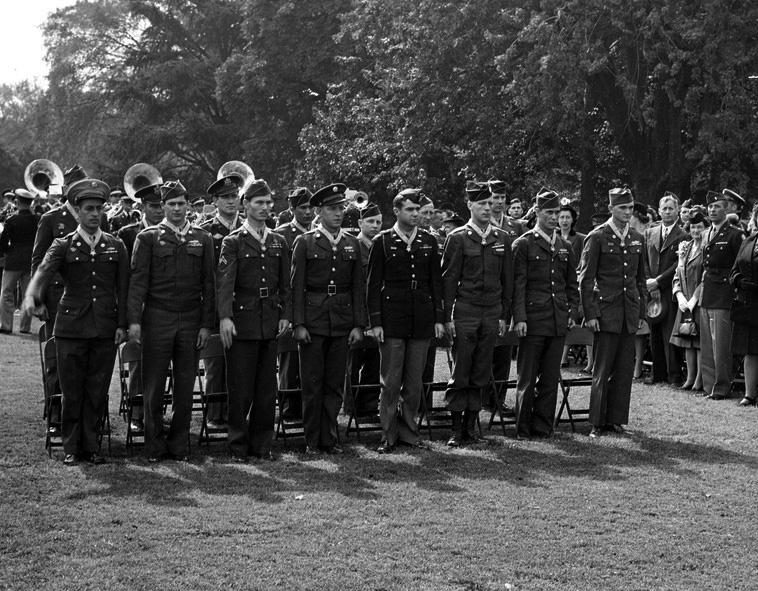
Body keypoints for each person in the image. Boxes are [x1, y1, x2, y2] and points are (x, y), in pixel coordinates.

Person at [23, 179, 129, 464]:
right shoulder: (64, 244)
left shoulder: (116, 245)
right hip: (70, 328)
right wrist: (33, 295)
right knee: (71, 390)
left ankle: (91, 447)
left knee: (96, 391)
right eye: (89, 209)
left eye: (99, 209)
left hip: (105, 328)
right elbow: (43, 271)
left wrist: (122, 324)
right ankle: (71, 448)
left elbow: (124, 288)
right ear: (77, 212)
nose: (95, 214)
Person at [127, 180, 215, 462]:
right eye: (171, 204)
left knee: (185, 386)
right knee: (153, 385)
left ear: (188, 205)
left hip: (190, 319)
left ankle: (179, 446)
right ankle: (154, 446)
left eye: (181, 204)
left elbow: (209, 286)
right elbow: (137, 283)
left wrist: (205, 324)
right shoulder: (149, 238)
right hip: (156, 318)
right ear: (162, 206)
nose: (177, 209)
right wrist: (134, 321)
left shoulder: (203, 239)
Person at [217, 179, 291, 461]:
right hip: (242, 321)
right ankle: (238, 446)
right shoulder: (233, 241)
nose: (264, 208)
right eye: (258, 203)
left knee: (265, 390)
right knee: (240, 389)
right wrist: (225, 317)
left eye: (268, 203)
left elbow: (286, 285)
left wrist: (286, 315)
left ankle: (262, 446)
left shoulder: (278, 241)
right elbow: (225, 283)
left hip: (269, 321)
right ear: (245, 205)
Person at [291, 183, 367, 455]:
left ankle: (329, 438)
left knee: (335, 384)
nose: (338, 214)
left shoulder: (352, 243)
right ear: (319, 212)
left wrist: (359, 323)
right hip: (313, 320)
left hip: (342, 320)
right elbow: (296, 286)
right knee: (312, 383)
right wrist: (297, 323)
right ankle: (313, 440)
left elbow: (358, 287)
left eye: (340, 208)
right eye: (332, 209)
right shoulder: (305, 241)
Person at [367, 189, 444, 453]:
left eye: (417, 209)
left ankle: (410, 433)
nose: (415, 214)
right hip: (392, 319)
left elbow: (436, 282)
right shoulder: (383, 241)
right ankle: (388, 435)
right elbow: (373, 283)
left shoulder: (428, 241)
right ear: (397, 211)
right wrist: (375, 322)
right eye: (410, 209)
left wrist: (439, 318)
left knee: (414, 381)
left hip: (421, 318)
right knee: (390, 381)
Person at [442, 181, 513, 447]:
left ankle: (471, 429)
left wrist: (505, 314)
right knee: (461, 369)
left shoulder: (502, 237)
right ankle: (456, 429)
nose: (487, 207)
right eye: (481, 203)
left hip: (492, 312)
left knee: (482, 369)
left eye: (490, 203)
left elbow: (507, 280)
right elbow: (448, 281)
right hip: (466, 311)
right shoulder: (458, 238)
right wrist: (446, 316)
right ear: (469, 205)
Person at [512, 190, 580, 439]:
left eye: (558, 213)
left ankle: (543, 427)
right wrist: (519, 318)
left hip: (557, 319)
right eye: (549, 213)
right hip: (532, 319)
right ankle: (523, 427)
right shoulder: (523, 244)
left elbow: (572, 283)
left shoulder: (565, 246)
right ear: (538, 213)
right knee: (527, 378)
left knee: (551, 377)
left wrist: (573, 310)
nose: (554, 217)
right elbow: (517, 287)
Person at [579, 188, 647, 438]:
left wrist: (641, 312)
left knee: (623, 370)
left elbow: (641, 279)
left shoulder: (637, 238)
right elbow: (586, 280)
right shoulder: (597, 237)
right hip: (606, 311)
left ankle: (616, 419)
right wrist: (591, 314)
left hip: (629, 310)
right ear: (611, 209)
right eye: (623, 208)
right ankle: (598, 421)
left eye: (630, 208)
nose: (628, 212)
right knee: (602, 368)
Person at [116, 183, 165, 433]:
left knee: (162, 364)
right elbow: (124, 279)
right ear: (143, 207)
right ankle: (136, 413)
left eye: (161, 205)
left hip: (164, 308)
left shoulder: (172, 232)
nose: (159, 211)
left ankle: (156, 412)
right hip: (139, 309)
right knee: (138, 361)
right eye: (153, 206)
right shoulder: (127, 234)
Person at [199, 174, 244, 430]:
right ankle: (215, 415)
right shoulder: (206, 231)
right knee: (216, 362)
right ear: (214, 201)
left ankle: (236, 413)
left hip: (245, 305)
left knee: (241, 363)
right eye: (225, 197)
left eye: (234, 196)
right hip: (217, 305)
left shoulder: (250, 226)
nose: (231, 201)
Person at [700, 190, 744, 400]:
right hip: (707, 291)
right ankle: (709, 386)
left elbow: (740, 265)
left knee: (721, 345)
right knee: (707, 343)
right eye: (710, 207)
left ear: (726, 209)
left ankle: (721, 387)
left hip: (724, 293)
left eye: (717, 206)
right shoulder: (706, 233)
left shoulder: (735, 234)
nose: (712, 210)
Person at [274, 187, 314, 418]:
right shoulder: (281, 235)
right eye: (302, 208)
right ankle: (289, 408)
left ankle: (308, 408)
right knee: (289, 360)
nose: (308, 212)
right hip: (289, 302)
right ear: (291, 209)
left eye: (310, 207)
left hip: (313, 304)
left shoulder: (319, 233)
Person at [644, 192, 687, 385]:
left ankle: (674, 375)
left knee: (670, 333)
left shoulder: (683, 235)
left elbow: (679, 263)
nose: (668, 212)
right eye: (664, 208)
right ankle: (657, 374)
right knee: (654, 334)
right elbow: (644, 260)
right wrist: (648, 281)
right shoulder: (650, 232)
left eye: (671, 208)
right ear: (659, 211)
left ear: (677, 211)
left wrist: (659, 281)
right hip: (651, 290)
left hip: (669, 289)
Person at [347, 202, 383, 417]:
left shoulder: (382, 245)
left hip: (377, 313)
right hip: (357, 313)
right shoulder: (353, 245)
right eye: (370, 221)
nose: (375, 226)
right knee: (353, 364)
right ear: (360, 223)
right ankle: (350, 406)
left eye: (379, 222)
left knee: (374, 362)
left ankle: (368, 406)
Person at [671, 209, 708, 391]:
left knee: (699, 341)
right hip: (684, 301)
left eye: (699, 227)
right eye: (693, 227)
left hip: (699, 300)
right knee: (687, 340)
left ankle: (700, 379)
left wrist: (694, 299)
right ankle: (690, 377)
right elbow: (677, 274)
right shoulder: (685, 247)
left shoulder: (707, 248)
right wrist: (679, 295)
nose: (695, 231)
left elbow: (705, 277)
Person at [729, 202, 758, 406]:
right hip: (748, 304)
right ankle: (749, 394)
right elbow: (733, 270)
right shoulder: (748, 241)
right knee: (750, 350)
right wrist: (739, 281)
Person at [0, 189, 39, 334]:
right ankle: (25, 327)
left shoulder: (11, 220)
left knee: (6, 293)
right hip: (31, 260)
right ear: (30, 202)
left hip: (13, 260)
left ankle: (6, 325)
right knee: (28, 294)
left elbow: (3, 241)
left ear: (17, 201)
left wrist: (4, 252)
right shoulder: (38, 219)